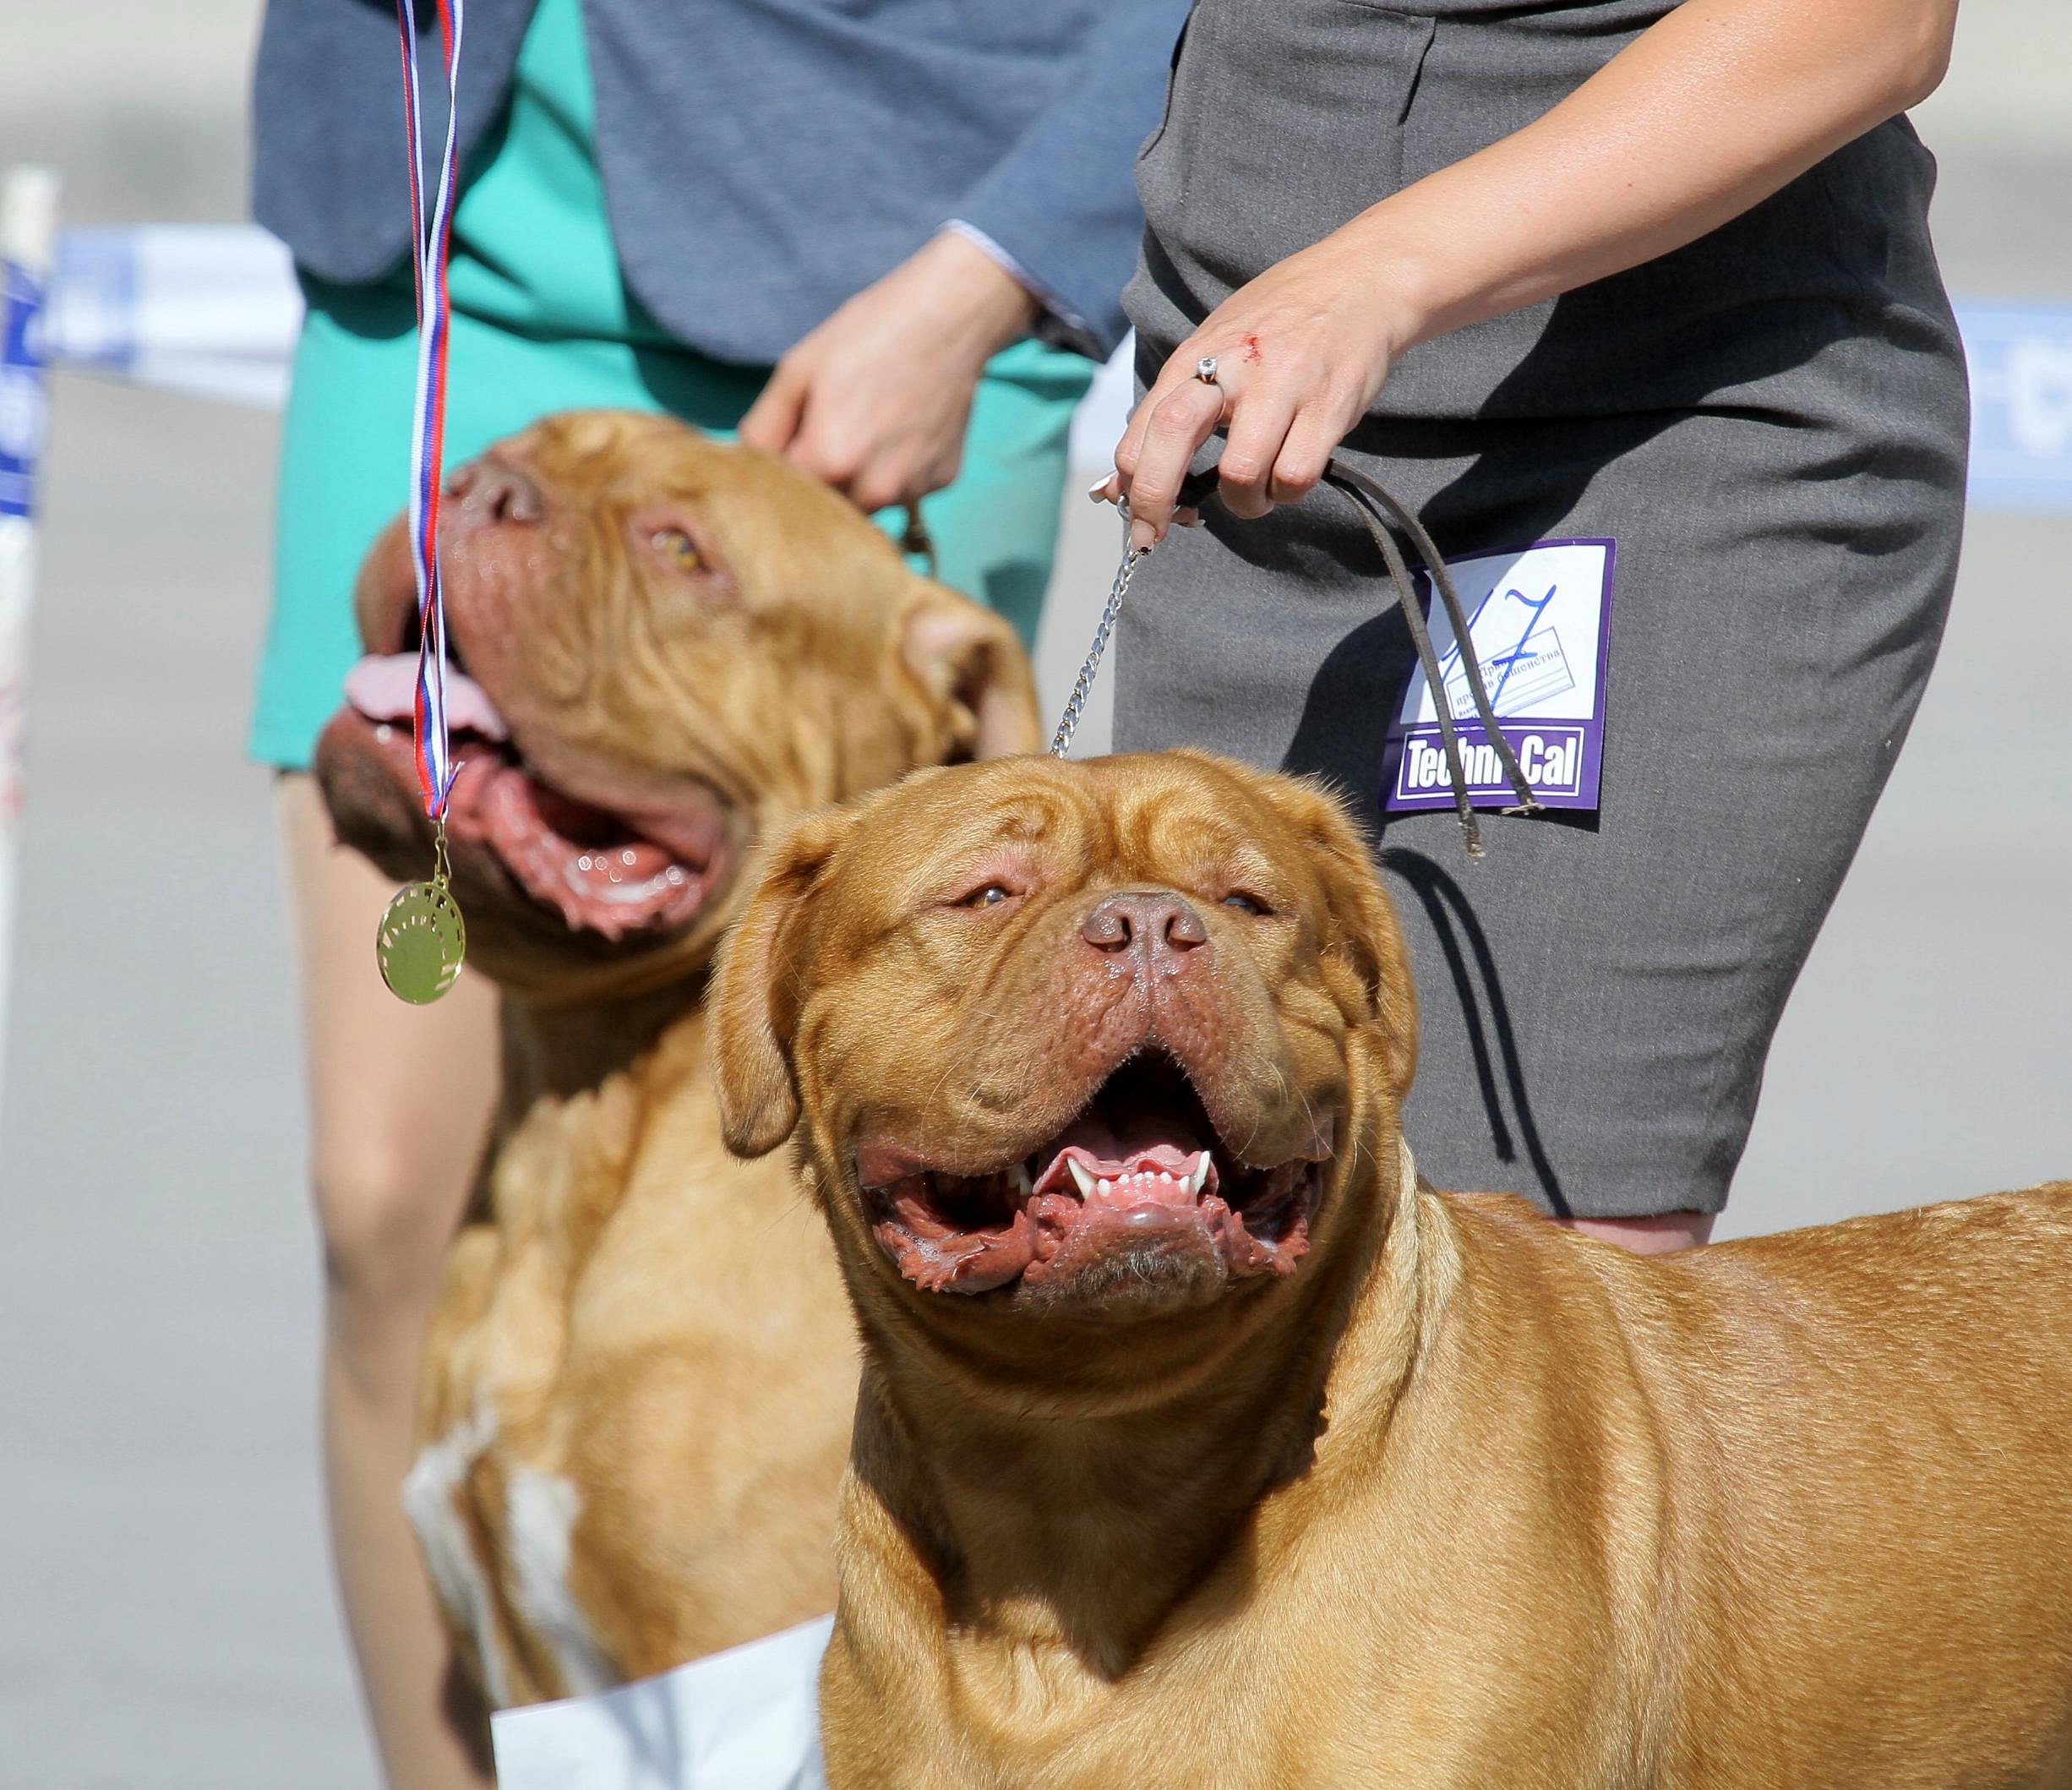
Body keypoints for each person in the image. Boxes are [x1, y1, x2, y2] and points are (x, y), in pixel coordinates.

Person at [248, 0, 1186, 1782]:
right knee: (389, 1204)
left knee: (835, 1169)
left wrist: (996, 263)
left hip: (895, 225)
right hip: (436, 186)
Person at [1099, 0, 1966, 1252]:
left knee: (1526, 1258)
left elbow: (1867, 19)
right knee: (1191, 1193)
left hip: (1663, 408)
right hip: (1256, 408)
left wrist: (1377, 275)